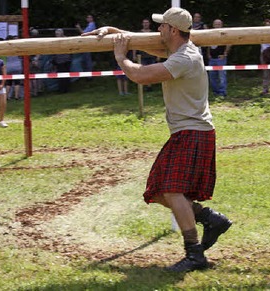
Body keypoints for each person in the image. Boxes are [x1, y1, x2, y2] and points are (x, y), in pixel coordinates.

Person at [83, 7, 232, 273]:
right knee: (159, 191)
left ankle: (194, 254)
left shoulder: (183, 58)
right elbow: (149, 46)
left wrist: (120, 57)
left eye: (162, 26)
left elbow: (139, 75)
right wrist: (112, 31)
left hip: (192, 132)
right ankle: (210, 219)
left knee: (173, 191)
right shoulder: (180, 50)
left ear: (173, 30)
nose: (158, 30)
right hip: (187, 132)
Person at [207, 19, 230, 97]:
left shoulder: (224, 33)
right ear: (213, 25)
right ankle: (215, 92)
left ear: (221, 25)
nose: (217, 25)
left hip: (220, 58)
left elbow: (229, 43)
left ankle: (222, 92)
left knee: (222, 76)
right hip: (212, 59)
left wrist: (225, 53)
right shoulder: (210, 33)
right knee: (212, 76)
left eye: (219, 24)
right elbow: (208, 45)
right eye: (216, 24)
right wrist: (208, 54)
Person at [133, 18, 158, 92]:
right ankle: (143, 86)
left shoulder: (153, 33)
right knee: (142, 71)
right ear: (142, 24)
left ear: (149, 24)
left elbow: (156, 45)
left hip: (152, 55)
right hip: (142, 56)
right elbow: (135, 45)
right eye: (144, 23)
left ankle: (149, 86)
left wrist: (158, 56)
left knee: (152, 72)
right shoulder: (139, 33)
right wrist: (134, 55)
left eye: (147, 22)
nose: (145, 24)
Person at [51, 29, 72, 94]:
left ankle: (63, 89)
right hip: (65, 60)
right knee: (65, 75)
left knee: (62, 76)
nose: (56, 35)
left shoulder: (58, 41)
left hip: (62, 61)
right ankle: (65, 89)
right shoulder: (67, 39)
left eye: (57, 34)